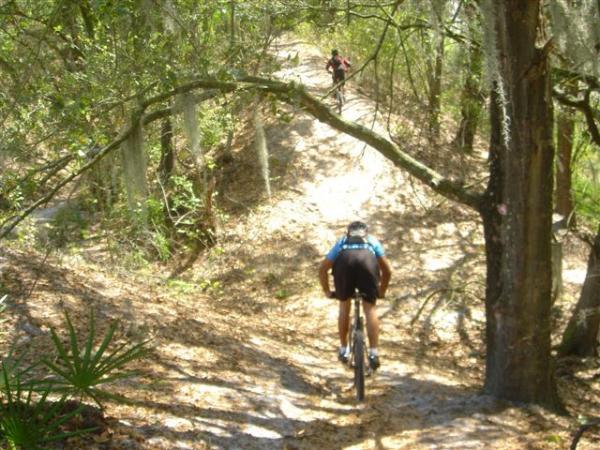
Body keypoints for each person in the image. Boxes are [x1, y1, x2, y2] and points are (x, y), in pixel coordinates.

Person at [319, 221, 392, 370]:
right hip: (367, 262)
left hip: (345, 262)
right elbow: (387, 271)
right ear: (367, 232)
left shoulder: (342, 242)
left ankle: (343, 349)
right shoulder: (372, 241)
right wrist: (381, 291)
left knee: (344, 307)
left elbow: (323, 269)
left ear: (348, 233)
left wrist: (327, 291)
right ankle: (373, 353)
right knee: (370, 309)